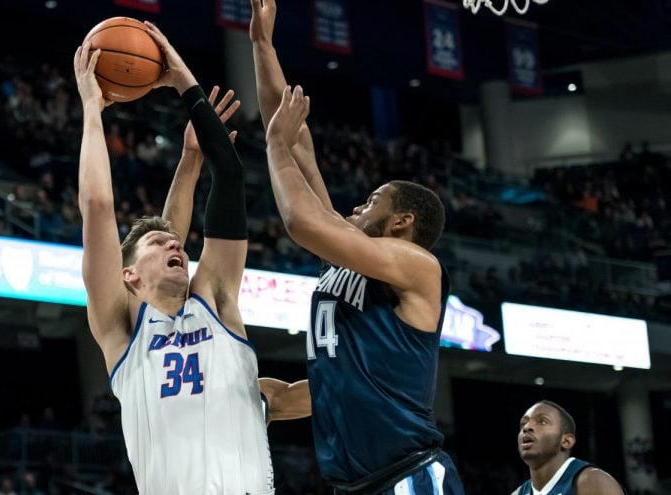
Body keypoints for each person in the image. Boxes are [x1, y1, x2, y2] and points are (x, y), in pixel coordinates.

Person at [253, 2, 464, 492]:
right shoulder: (348, 261)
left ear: (402, 221)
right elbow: (295, 135)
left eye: (372, 201)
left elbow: (300, 219)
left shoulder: (418, 266)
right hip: (355, 483)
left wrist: (274, 147)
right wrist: (261, 46)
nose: (355, 208)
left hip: (409, 474)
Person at [73, 21, 274, 494]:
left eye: (176, 243)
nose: (175, 245)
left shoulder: (216, 300)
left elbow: (229, 174)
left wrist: (182, 78)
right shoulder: (122, 334)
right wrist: (91, 110)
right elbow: (98, 207)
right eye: (158, 245)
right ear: (128, 276)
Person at [512, 401, 624, 495]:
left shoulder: (592, 481)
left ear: (566, 441)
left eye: (542, 421)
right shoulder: (519, 493)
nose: (526, 427)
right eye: (523, 424)